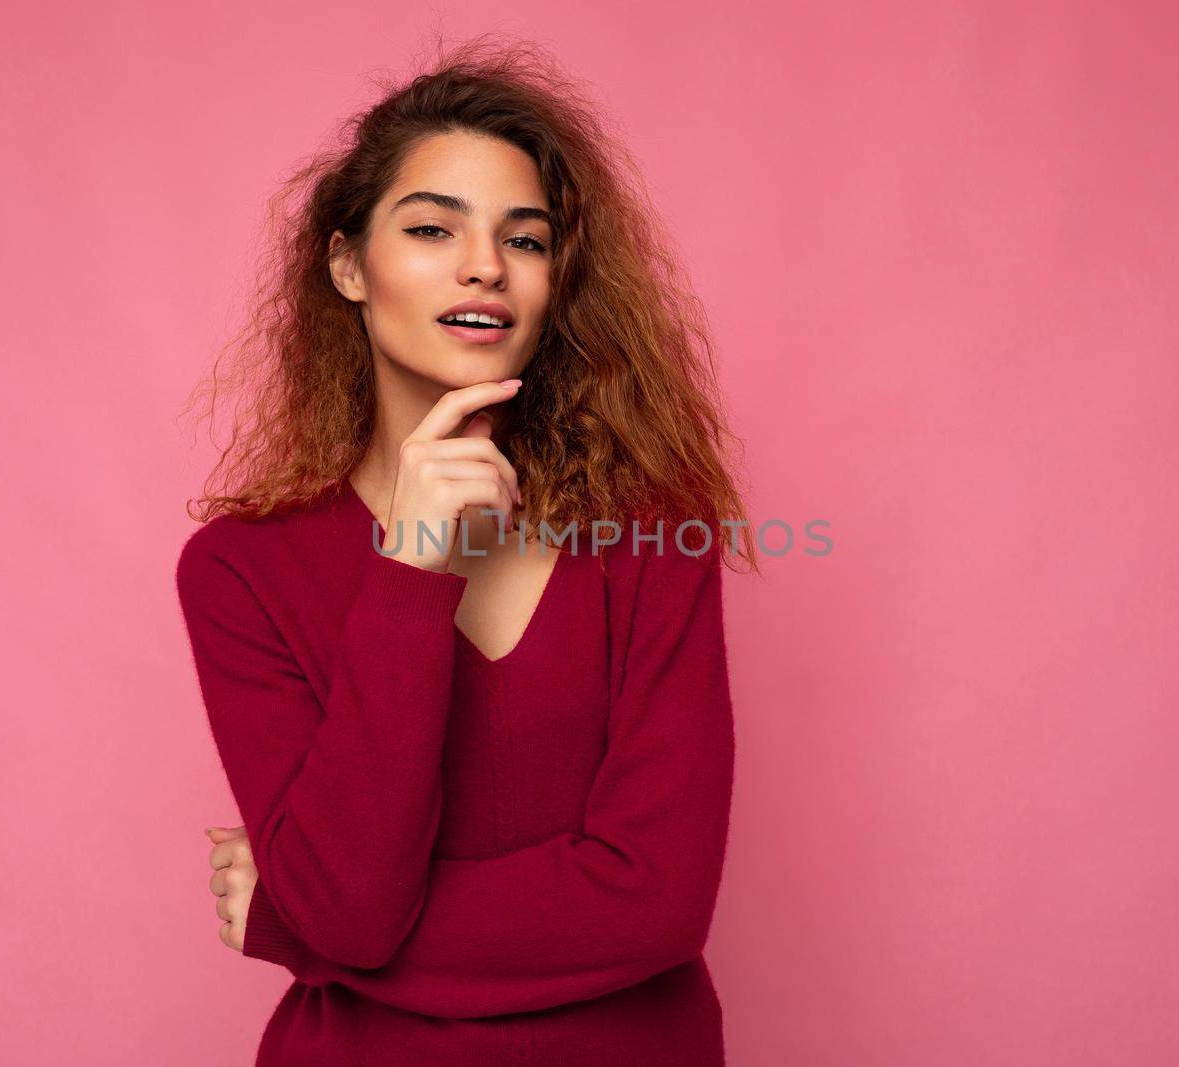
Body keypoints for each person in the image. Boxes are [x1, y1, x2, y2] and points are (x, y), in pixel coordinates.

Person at [175, 33, 757, 1066]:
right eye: (433, 227)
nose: (485, 263)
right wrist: (411, 573)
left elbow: (656, 902)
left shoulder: (651, 533)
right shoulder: (240, 570)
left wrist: (290, 922)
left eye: (525, 239)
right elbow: (349, 904)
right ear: (349, 265)